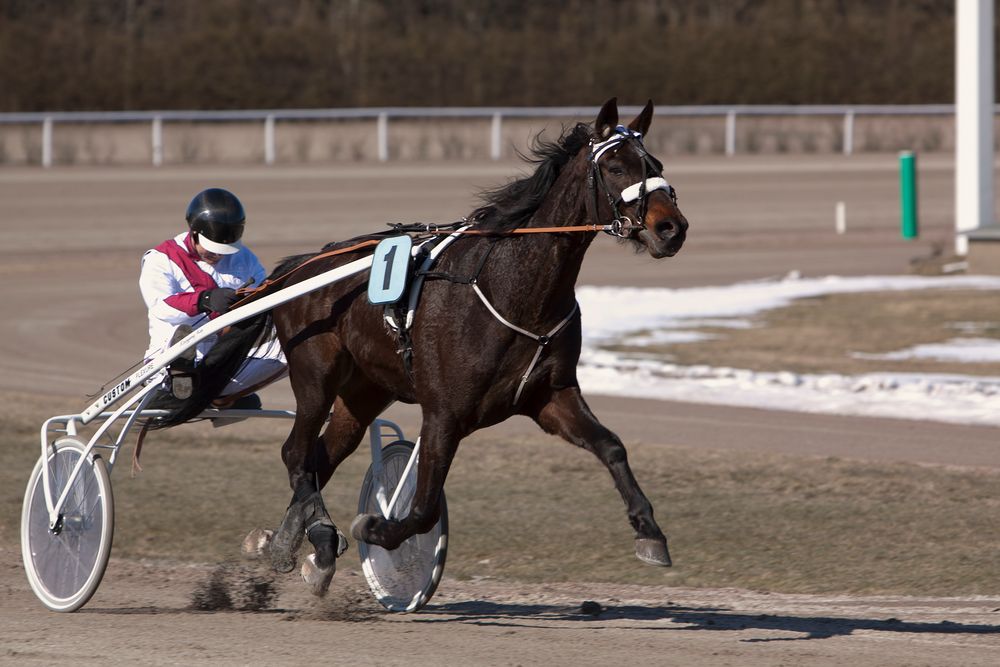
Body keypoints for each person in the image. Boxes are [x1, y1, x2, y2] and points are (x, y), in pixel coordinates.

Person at [139, 187, 285, 410]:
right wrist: (204, 299)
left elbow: (262, 295)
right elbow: (161, 307)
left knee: (291, 343)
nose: (217, 256)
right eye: (212, 250)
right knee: (183, 336)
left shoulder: (244, 258)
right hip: (168, 357)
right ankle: (177, 381)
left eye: (224, 251)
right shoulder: (161, 259)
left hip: (224, 360)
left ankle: (215, 391)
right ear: (194, 232)